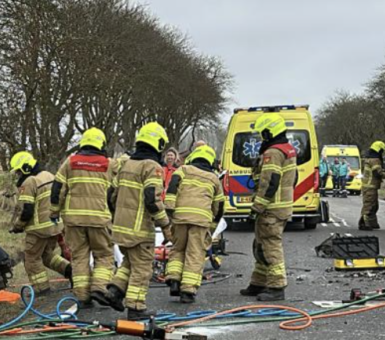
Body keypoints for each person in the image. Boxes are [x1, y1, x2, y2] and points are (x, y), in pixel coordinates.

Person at [101, 122, 173, 319]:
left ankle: (114, 292)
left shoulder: (126, 165)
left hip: (122, 228)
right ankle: (136, 307)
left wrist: (118, 217)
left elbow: (110, 196)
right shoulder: (152, 167)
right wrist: (165, 224)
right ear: (157, 144)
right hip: (140, 230)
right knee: (142, 268)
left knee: (129, 263)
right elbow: (152, 199)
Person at [51, 128, 114, 305]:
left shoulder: (70, 162)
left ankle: (83, 297)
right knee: (103, 255)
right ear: (101, 143)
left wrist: (54, 212)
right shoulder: (108, 163)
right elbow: (115, 190)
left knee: (79, 257)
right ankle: (99, 288)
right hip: (99, 218)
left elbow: (57, 188)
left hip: (74, 219)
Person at [240, 112, 297, 302]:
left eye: (263, 133)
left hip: (270, 209)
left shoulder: (273, 153)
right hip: (280, 207)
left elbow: (269, 182)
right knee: (260, 245)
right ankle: (258, 283)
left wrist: (256, 207)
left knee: (270, 247)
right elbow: (292, 179)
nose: (261, 137)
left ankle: (276, 286)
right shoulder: (287, 150)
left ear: (270, 131)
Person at [163, 144, 225, 303]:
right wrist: (211, 228)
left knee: (178, 249)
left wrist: (169, 216)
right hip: (201, 222)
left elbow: (171, 191)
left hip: (180, 218)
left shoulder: (182, 170)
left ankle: (174, 281)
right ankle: (187, 291)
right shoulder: (214, 179)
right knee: (195, 253)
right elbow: (219, 207)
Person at [9, 151, 70, 294]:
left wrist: (18, 226)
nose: (18, 174)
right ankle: (70, 270)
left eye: (18, 170)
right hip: (54, 226)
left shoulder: (29, 182)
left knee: (31, 259)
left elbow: (27, 210)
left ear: (25, 167)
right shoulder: (48, 175)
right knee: (47, 255)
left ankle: (42, 289)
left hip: (38, 230)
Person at [359, 141, 385, 230]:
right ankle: (363, 223)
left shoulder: (369, 158)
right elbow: (377, 172)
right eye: (382, 151)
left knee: (374, 205)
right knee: (369, 205)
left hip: (369, 186)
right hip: (370, 186)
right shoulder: (375, 160)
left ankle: (372, 223)